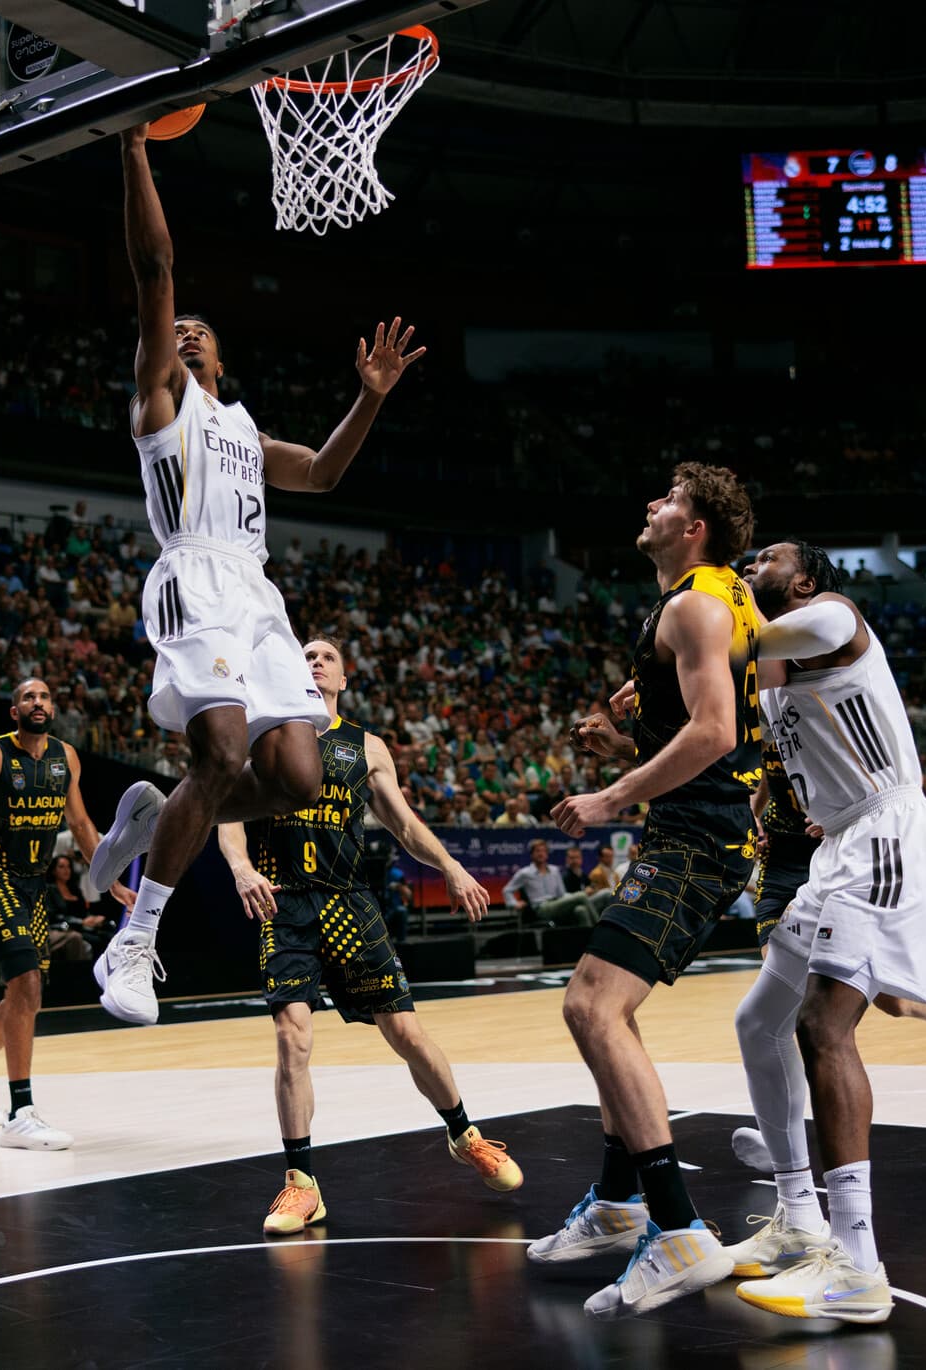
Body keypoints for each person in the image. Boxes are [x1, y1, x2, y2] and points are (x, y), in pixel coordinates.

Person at [87, 123, 427, 1027]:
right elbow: (155, 269)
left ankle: (158, 816)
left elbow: (320, 472)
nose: (186, 333)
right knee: (226, 755)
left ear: (224, 359)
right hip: (194, 575)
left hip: (256, 592)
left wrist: (371, 397)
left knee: (298, 780)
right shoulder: (162, 402)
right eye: (178, 330)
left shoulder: (243, 430)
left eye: (202, 331)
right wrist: (132, 150)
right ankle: (135, 941)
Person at [718, 538, 926, 1324]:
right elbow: (727, 734)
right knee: (759, 1022)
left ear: (804, 579)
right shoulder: (772, 686)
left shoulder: (833, 618)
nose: (751, 562)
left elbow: (739, 634)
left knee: (827, 1025)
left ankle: (858, 1263)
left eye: (766, 558)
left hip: (886, 833)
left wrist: (700, 605)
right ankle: (799, 1219)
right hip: (837, 851)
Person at [532, 464, 760, 1318]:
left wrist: (612, 794)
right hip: (692, 831)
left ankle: (678, 1229)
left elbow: (716, 729)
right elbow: (712, 704)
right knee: (608, 1013)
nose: (652, 505)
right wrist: (628, 726)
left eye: (668, 498)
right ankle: (621, 1204)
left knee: (591, 1007)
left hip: (697, 838)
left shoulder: (698, 604)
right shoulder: (713, 599)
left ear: (694, 527)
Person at [218, 639, 523, 1233]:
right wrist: (241, 868)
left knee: (406, 1030)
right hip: (286, 902)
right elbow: (224, 810)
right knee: (292, 1036)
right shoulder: (268, 734)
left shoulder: (367, 746)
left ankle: (465, 1135)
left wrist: (453, 868)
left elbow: (404, 824)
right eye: (304, 654)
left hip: (350, 902)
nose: (314, 661)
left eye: (326, 656)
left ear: (344, 678)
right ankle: (302, 1184)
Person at [0, 679, 132, 1148]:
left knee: (26, 998)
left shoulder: (66, 757)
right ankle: (21, 1112)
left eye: (44, 697)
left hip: (34, 885)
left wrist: (112, 880)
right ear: (14, 711)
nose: (38, 703)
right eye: (28, 698)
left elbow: (80, 824)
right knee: (26, 985)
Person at [502, 839, 610, 928]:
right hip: (542, 908)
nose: (541, 854)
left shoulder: (554, 870)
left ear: (547, 854)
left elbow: (562, 894)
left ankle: (587, 946)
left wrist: (573, 898)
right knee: (581, 896)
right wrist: (514, 903)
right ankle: (600, 931)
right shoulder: (525, 873)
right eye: (537, 851)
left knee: (580, 910)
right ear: (532, 854)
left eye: (543, 851)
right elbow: (507, 890)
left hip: (558, 903)